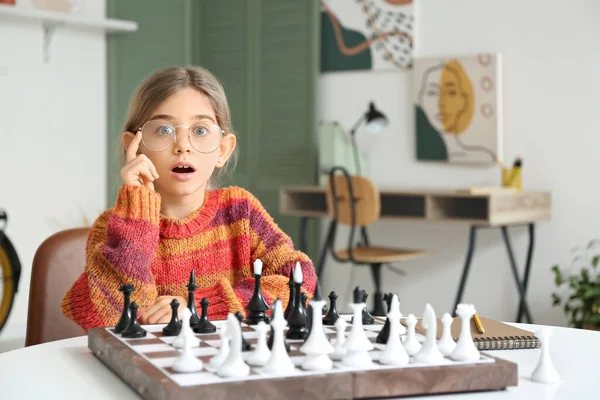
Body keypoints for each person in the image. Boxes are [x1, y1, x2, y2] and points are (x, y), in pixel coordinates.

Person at [61, 66, 317, 331]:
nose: (182, 145)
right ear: (134, 147)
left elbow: (299, 280)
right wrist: (137, 216)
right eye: (163, 130)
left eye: (200, 130)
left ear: (223, 150)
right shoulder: (113, 226)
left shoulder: (241, 212)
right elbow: (104, 316)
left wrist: (197, 306)